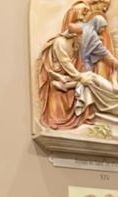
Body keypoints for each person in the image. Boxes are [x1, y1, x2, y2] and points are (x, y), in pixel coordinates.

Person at [37, 2, 91, 130]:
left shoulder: (75, 42)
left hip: (70, 77)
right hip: (60, 76)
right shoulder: (60, 42)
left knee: (89, 80)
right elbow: (65, 62)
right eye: (78, 22)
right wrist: (79, 76)